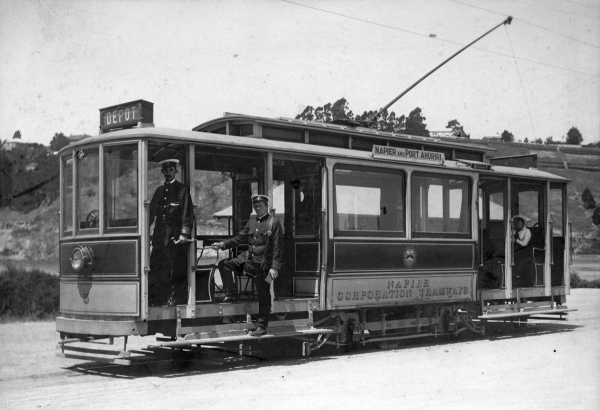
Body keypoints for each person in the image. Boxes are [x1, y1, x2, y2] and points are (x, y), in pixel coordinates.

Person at [212, 194, 283, 336]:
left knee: (264, 294)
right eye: (255, 206)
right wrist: (223, 244)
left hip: (264, 265)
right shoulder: (251, 222)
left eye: (260, 206)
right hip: (247, 260)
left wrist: (274, 267)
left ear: (266, 206)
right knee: (225, 264)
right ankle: (231, 293)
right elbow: (239, 238)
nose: (257, 208)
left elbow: (278, 247)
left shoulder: (274, 223)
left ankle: (262, 327)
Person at [149, 159, 195, 307]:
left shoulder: (182, 190)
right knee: (156, 266)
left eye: (171, 170)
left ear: (176, 171)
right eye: (166, 171)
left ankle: (174, 297)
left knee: (174, 268)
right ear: (162, 172)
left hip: (174, 237)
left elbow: (187, 215)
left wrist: (183, 234)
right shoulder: (159, 191)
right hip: (159, 236)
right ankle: (157, 298)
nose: (168, 173)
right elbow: (151, 214)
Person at [511, 214, 532, 286]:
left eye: (518, 222)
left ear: (522, 223)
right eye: (515, 222)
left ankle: (518, 275)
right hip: (513, 250)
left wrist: (516, 240)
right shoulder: (513, 230)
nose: (517, 223)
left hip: (523, 250)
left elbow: (524, 243)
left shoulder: (527, 231)